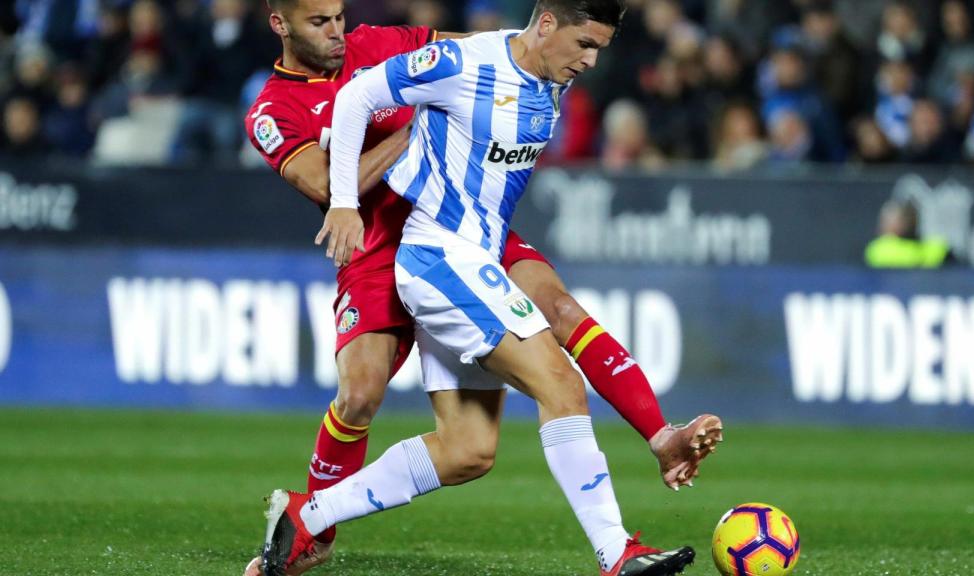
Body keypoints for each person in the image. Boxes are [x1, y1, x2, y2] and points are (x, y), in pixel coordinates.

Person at [246, 0, 720, 573]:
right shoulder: (287, 104)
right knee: (543, 387)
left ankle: (308, 517)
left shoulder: (538, 73)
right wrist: (348, 201)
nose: (591, 62)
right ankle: (617, 553)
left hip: (473, 245)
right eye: (585, 46)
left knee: (470, 448)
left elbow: (488, 45)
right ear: (282, 25)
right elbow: (355, 108)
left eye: (339, 16)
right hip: (423, 251)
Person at [865, 199, 951, 268]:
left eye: (894, 221)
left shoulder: (934, 246)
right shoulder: (878, 248)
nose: (885, 225)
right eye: (886, 221)